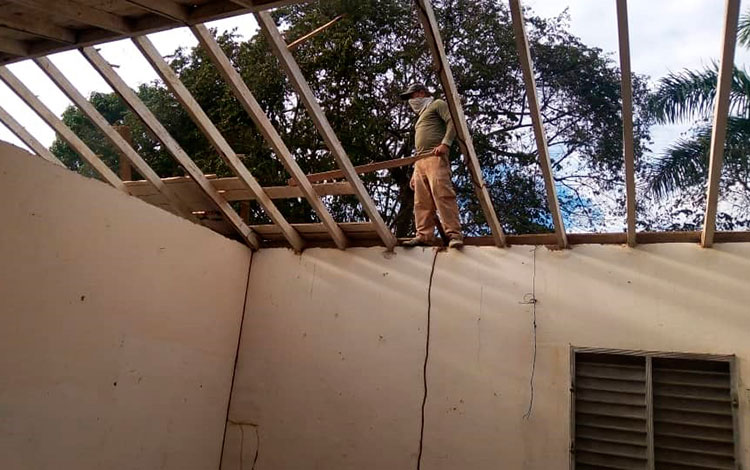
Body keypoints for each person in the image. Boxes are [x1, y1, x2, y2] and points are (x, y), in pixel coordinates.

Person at [399, 83, 464, 248]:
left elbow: (453, 122)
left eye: (411, 96)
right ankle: (424, 235)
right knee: (421, 201)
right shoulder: (421, 115)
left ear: (421, 93)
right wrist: (415, 171)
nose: (410, 101)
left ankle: (454, 234)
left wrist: (446, 143)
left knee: (442, 194)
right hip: (420, 160)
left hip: (435, 156)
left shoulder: (437, 104)